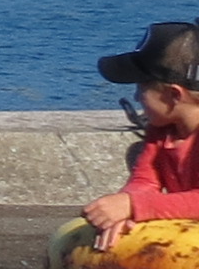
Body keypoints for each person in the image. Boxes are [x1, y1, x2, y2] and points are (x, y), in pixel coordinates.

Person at [84, 22, 199, 251]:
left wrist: (134, 205)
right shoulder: (162, 129)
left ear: (174, 95)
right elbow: (145, 180)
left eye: (141, 88)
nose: (136, 98)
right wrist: (124, 212)